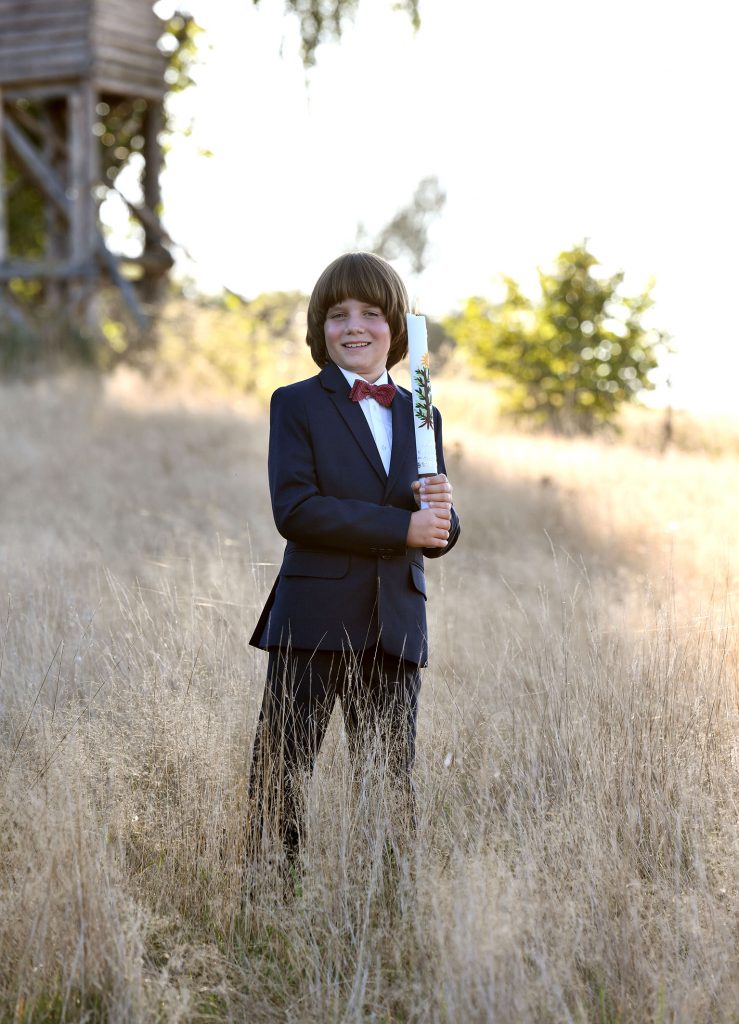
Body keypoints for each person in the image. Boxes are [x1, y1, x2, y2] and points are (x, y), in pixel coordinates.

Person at [248, 251, 460, 863]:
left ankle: (385, 905)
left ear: (395, 327)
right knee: (282, 771)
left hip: (395, 621)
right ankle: (270, 895)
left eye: (370, 313)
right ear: (320, 329)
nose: (354, 327)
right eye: (337, 315)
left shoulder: (423, 413)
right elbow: (297, 510)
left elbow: (436, 528)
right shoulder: (297, 403)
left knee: (391, 780)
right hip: (314, 615)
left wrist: (442, 519)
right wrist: (404, 526)